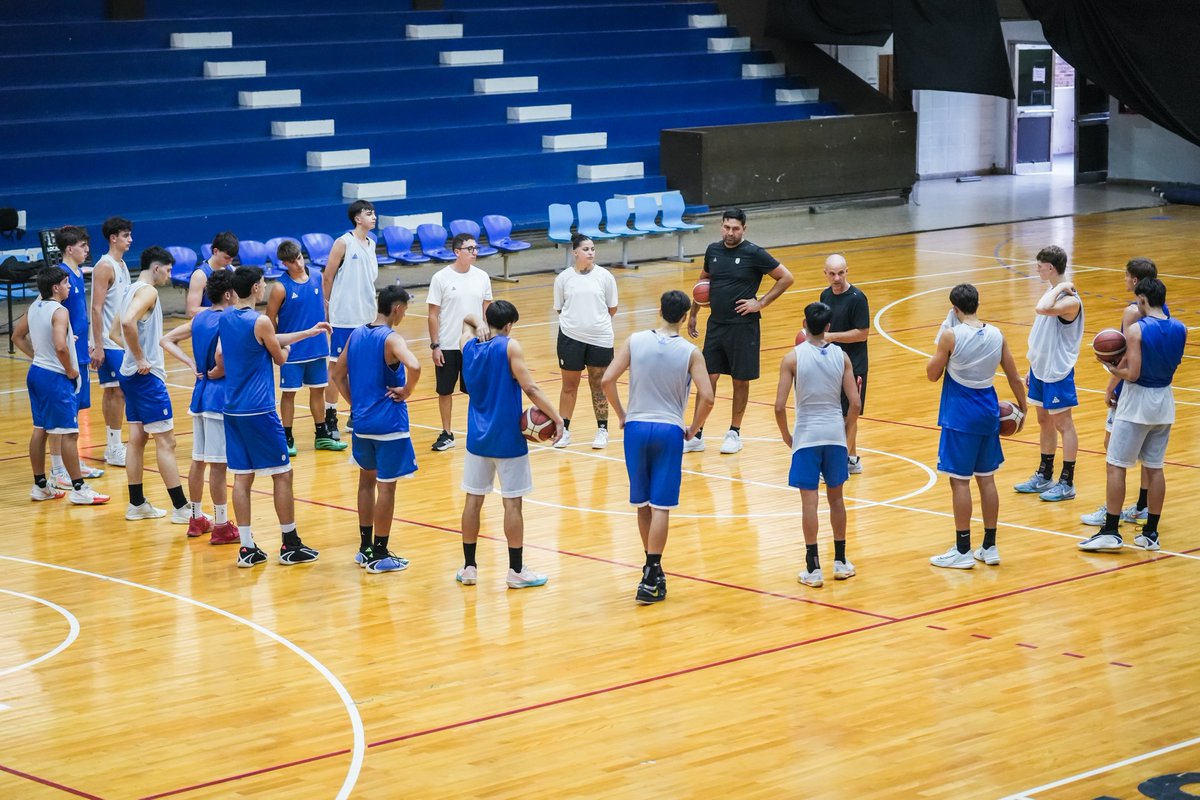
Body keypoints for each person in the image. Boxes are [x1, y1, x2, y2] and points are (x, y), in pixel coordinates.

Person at [601, 290, 713, 604]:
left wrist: (622, 414)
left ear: (659, 311)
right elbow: (708, 396)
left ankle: (652, 569)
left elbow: (607, 380)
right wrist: (694, 427)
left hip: (635, 427)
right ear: (683, 316)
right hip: (669, 429)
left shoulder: (635, 340)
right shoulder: (691, 352)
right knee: (662, 505)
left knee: (643, 503)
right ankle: (652, 572)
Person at [220, 266, 331, 568]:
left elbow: (234, 350)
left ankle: (247, 547)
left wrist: (308, 331)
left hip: (232, 408)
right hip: (260, 410)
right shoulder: (261, 321)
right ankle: (290, 543)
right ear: (256, 288)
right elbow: (281, 356)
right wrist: (291, 345)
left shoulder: (227, 317)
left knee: (242, 477)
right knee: (283, 474)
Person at [456, 300, 562, 589]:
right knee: (512, 504)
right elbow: (530, 387)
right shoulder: (509, 346)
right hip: (508, 439)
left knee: (473, 501)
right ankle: (515, 570)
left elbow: (465, 320)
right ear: (509, 325)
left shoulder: (468, 346)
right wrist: (558, 419)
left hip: (477, 438)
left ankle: (469, 568)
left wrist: (477, 324)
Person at [1079, 278, 1186, 554]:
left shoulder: (1137, 329)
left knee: (1115, 465)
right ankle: (1151, 533)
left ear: (1142, 299)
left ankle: (1112, 531)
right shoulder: (1180, 328)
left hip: (1137, 402)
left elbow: (1133, 374)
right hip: (1165, 401)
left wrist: (1110, 367)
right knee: (1154, 467)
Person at [925, 284, 1027, 569]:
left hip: (960, 415)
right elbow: (1014, 375)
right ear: (977, 304)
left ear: (954, 308)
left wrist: (942, 348)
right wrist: (1023, 407)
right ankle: (990, 547)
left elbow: (932, 374)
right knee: (987, 478)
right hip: (988, 412)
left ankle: (962, 549)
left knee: (959, 481)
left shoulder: (950, 335)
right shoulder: (997, 333)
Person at [686, 208, 793, 454]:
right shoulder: (713, 250)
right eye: (726, 227)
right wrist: (694, 313)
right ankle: (696, 433)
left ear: (744, 229)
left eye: (735, 228)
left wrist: (761, 302)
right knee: (707, 379)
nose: (730, 232)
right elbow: (703, 283)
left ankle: (734, 432)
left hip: (744, 327)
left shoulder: (754, 253)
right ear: (720, 226)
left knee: (740, 381)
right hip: (716, 325)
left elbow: (786, 277)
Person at [330, 285, 421, 574]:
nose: (405, 313)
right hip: (389, 425)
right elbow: (415, 365)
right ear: (397, 309)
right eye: (405, 308)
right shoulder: (391, 338)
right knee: (387, 488)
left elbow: (336, 373)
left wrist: (354, 404)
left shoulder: (357, 333)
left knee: (365, 483)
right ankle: (380, 553)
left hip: (362, 424)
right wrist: (407, 390)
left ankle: (365, 548)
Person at [774, 301, 860, 588]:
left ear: (804, 323)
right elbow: (855, 403)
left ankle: (813, 568)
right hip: (835, 435)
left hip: (807, 436)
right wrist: (847, 436)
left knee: (809, 503)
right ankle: (840, 561)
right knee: (837, 500)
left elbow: (778, 405)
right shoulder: (842, 357)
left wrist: (787, 436)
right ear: (828, 327)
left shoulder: (792, 358)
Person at [1080, 257, 1164, 527]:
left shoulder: (1132, 312)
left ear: (1136, 281)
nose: (1124, 280)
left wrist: (1111, 384)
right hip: (1156, 390)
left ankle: (1111, 512)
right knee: (1148, 457)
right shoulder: (1163, 310)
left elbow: (1127, 354)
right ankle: (1140, 506)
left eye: (1126, 276)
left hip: (1129, 387)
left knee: (1113, 450)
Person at [14, 266, 109, 505]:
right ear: (56, 287)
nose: (69, 287)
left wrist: (38, 355)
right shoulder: (60, 311)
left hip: (36, 373)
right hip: (54, 377)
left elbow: (17, 336)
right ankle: (79, 488)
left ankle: (40, 486)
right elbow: (59, 346)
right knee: (69, 433)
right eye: (66, 283)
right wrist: (69, 369)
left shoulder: (35, 306)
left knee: (41, 430)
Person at [160, 269, 239, 544]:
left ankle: (195, 518)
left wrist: (191, 364)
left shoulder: (199, 318)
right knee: (218, 465)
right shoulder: (228, 319)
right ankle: (221, 524)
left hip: (200, 394)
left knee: (199, 460)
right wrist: (219, 368)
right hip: (220, 397)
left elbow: (165, 339)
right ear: (228, 294)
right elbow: (221, 353)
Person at [113, 246, 190, 522]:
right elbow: (126, 322)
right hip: (146, 378)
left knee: (136, 439)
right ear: (156, 268)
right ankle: (182, 509)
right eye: (168, 270)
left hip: (129, 375)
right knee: (167, 442)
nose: (170, 276)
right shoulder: (148, 291)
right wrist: (140, 356)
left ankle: (136, 504)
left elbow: (113, 331)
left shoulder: (128, 289)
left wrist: (132, 356)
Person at [1014, 245, 1084, 502]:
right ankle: (1045, 475)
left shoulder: (1069, 300)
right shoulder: (1054, 292)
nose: (1037, 269)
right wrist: (1032, 365)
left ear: (1051, 268)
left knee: (1063, 424)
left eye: (1040, 266)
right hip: (1041, 368)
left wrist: (1062, 287)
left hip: (1058, 371)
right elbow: (1041, 333)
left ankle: (1067, 482)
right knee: (1044, 421)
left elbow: (1041, 309)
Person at [266, 239, 347, 456]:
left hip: (318, 347)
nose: (298, 264)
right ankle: (287, 437)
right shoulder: (280, 288)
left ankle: (321, 435)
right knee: (289, 394)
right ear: (284, 264)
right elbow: (268, 320)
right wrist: (278, 343)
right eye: (292, 262)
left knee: (318, 391)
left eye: (300, 258)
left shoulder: (317, 277)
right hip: (292, 352)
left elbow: (322, 307)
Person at [48, 226, 105, 490]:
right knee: (63, 414)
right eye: (83, 246)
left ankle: (74, 462)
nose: (87, 251)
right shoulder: (61, 277)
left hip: (82, 351)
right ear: (70, 248)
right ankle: (58, 468)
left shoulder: (79, 274)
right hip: (69, 353)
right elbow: (53, 312)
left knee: (77, 411)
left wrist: (93, 343)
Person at [427, 232, 493, 452]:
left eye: (476, 248)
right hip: (447, 344)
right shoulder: (441, 278)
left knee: (476, 390)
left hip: (474, 345)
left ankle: (479, 430)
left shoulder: (482, 276)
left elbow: (487, 311)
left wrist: (490, 341)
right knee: (445, 391)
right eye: (470, 249)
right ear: (457, 252)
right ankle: (447, 433)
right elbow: (433, 314)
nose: (475, 252)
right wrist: (435, 345)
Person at [554, 233, 618, 450]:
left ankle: (602, 429)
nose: (590, 252)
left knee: (598, 385)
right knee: (569, 386)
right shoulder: (563, 278)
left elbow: (612, 308)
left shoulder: (605, 277)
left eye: (592, 249)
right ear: (575, 253)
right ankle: (564, 430)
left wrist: (595, 324)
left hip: (600, 338)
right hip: (570, 338)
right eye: (586, 249)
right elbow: (560, 308)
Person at [322, 200, 380, 441]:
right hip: (344, 317)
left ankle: (357, 413)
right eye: (369, 213)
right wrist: (326, 308)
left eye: (374, 213)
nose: (374, 217)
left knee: (362, 367)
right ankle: (330, 415)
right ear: (358, 218)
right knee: (337, 368)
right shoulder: (343, 242)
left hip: (366, 316)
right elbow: (328, 276)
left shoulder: (372, 244)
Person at [819, 254, 870, 475]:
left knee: (847, 416)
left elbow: (862, 334)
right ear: (825, 274)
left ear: (847, 271)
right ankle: (852, 459)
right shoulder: (824, 295)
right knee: (838, 415)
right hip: (832, 364)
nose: (837, 278)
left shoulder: (858, 298)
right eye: (832, 274)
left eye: (841, 273)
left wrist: (831, 337)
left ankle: (840, 464)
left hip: (854, 367)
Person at [90, 216, 133, 467]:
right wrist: (97, 344)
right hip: (108, 340)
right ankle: (115, 447)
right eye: (126, 235)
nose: (130, 239)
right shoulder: (104, 266)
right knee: (117, 393)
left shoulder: (122, 264)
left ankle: (112, 445)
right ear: (113, 237)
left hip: (120, 338)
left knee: (113, 391)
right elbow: (96, 308)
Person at [185, 231, 237, 318]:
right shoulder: (200, 276)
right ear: (215, 251)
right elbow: (192, 311)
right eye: (226, 258)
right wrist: (220, 309)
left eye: (232, 259)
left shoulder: (232, 270)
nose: (229, 262)